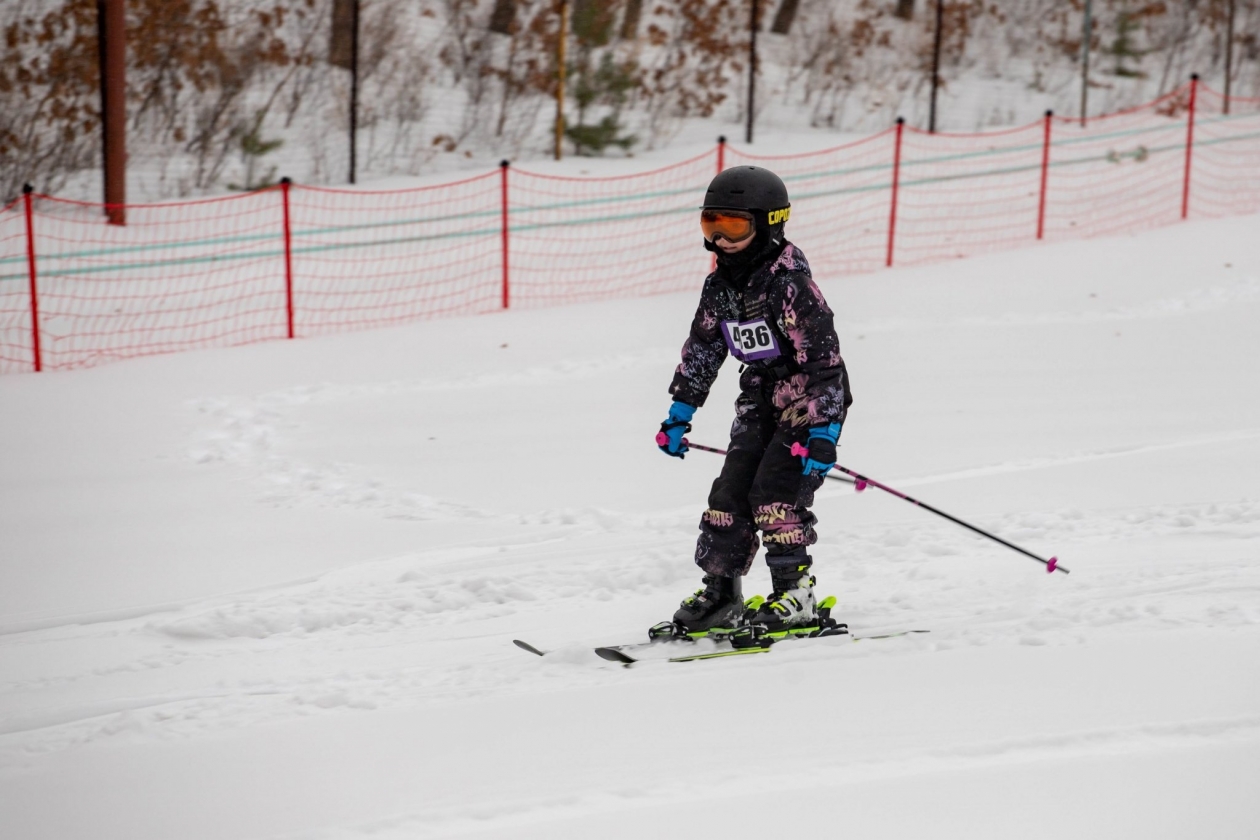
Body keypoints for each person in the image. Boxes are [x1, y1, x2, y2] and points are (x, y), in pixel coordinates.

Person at [656, 165, 852, 633]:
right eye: (711, 224)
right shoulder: (720, 286)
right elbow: (703, 349)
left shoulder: (790, 285)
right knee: (730, 491)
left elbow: (825, 364)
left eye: (734, 226)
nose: (720, 238)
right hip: (759, 396)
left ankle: (795, 593)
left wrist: (824, 431)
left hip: (808, 399)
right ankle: (722, 593)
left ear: (769, 223)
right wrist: (679, 413)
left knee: (775, 491)